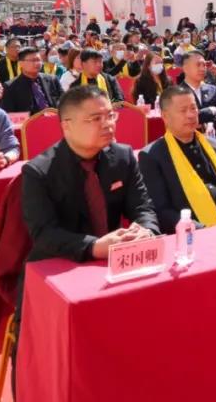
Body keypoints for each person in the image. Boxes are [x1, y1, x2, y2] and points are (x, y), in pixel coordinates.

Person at [15, 86, 159, 388]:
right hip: (58, 268)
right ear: (66, 125)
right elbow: (44, 234)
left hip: (114, 263)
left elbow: (143, 208)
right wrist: (93, 247)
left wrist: (146, 230)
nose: (107, 124)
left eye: (110, 116)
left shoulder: (123, 156)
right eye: (95, 119)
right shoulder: (39, 172)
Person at [138, 86, 216, 233]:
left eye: (193, 108)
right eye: (183, 110)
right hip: (193, 234)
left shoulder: (214, 145)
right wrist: (204, 230)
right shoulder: (153, 156)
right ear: (165, 116)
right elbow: (162, 210)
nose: (190, 115)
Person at [0, 47, 63, 114]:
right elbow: (9, 114)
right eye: (32, 60)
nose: (37, 63)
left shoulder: (52, 80)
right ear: (21, 63)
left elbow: (63, 101)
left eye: (38, 60)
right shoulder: (10, 87)